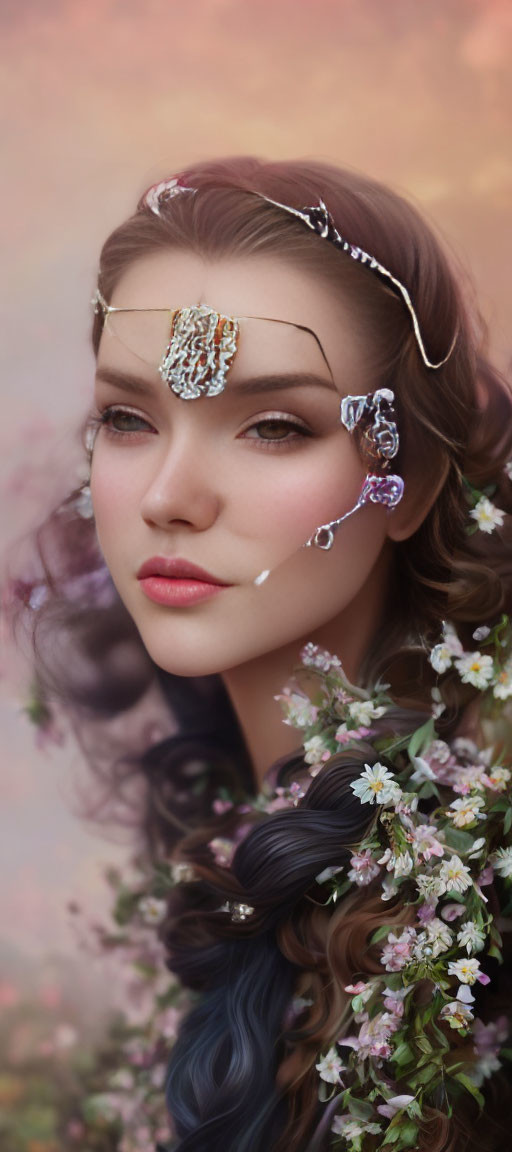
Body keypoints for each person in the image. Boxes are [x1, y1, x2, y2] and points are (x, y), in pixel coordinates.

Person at [7, 156, 512, 1151]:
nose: (170, 495)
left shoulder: (473, 920)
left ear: (404, 481)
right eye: (128, 418)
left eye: (273, 426)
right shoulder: (211, 840)